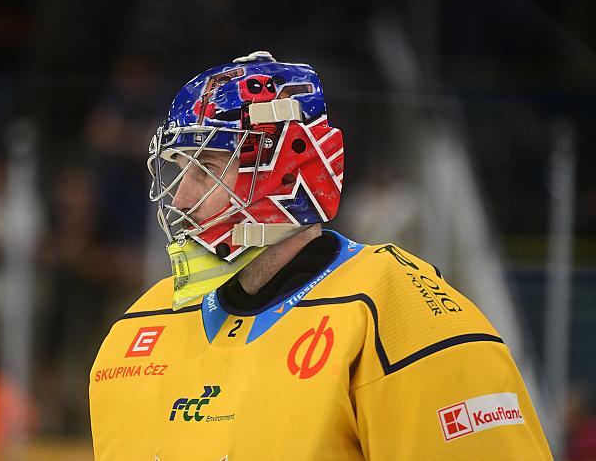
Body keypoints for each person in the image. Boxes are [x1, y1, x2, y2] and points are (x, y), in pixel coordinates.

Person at [90, 51, 552, 460]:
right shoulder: (138, 329)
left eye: (205, 169)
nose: (181, 199)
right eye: (177, 169)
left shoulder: (398, 312)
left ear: (286, 171)